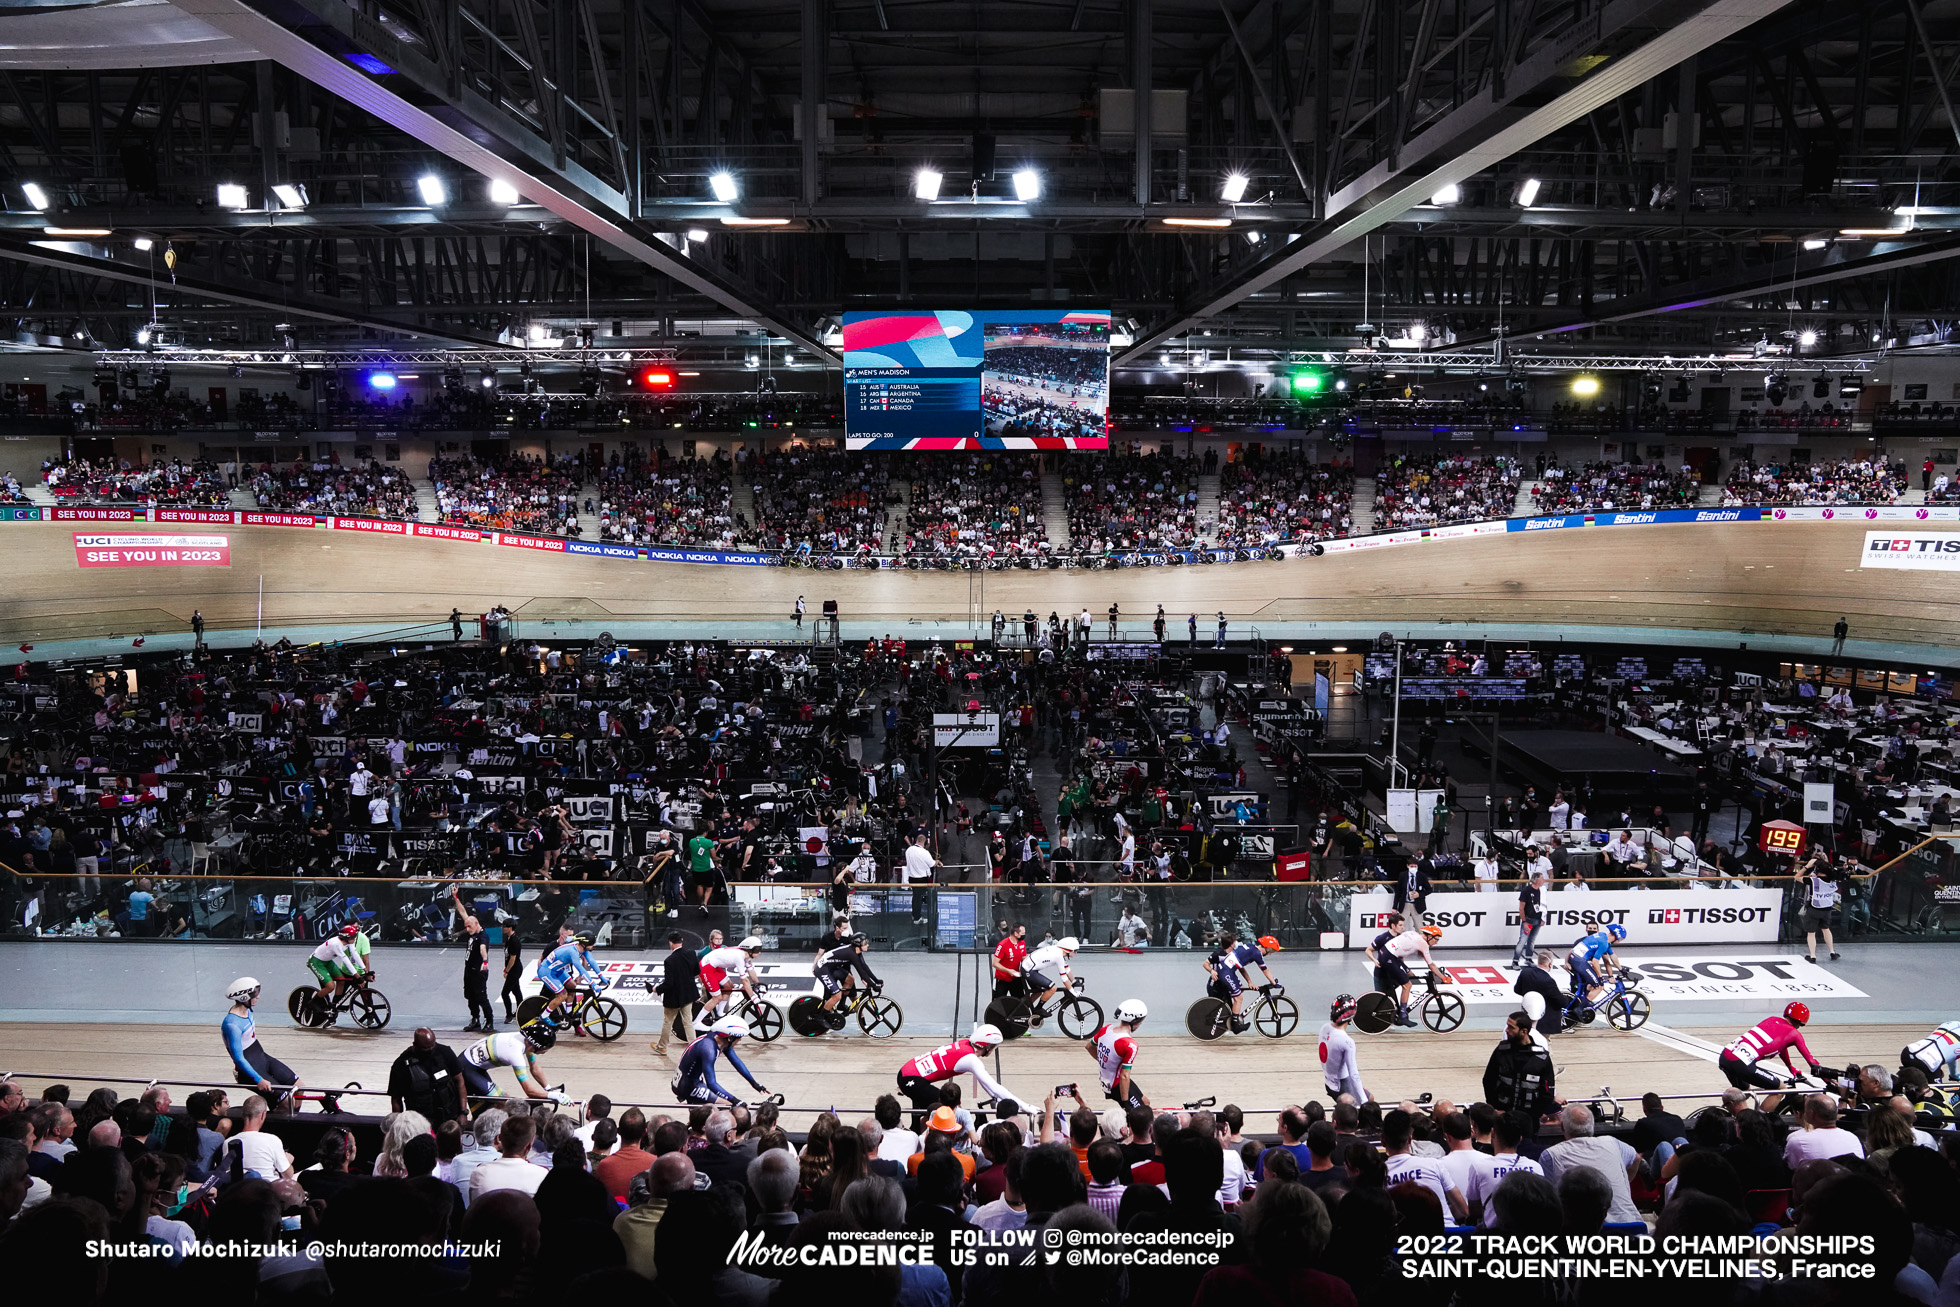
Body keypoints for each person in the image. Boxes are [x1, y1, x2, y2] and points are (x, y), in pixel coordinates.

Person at [896, 1024, 1020, 1117]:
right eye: (992, 1047)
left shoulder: (965, 1043)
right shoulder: (970, 1058)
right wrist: (1025, 1107)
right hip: (912, 1079)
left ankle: (917, 1132)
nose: (992, 1050)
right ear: (986, 1046)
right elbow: (993, 1086)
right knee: (951, 1112)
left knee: (946, 1109)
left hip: (907, 1072)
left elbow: (989, 1088)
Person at [221, 977, 303, 1109]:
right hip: (249, 1070)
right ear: (243, 997)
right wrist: (258, 1079)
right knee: (286, 1104)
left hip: (262, 1058)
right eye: (254, 994)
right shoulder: (232, 1024)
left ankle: (291, 1118)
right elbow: (238, 1059)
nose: (258, 997)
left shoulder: (246, 1011)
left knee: (299, 1088)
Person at [1720, 1002, 1824, 1095]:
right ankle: (1761, 1116)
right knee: (1780, 1089)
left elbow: (1782, 1047)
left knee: (1743, 1092)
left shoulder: (1772, 1019)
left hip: (1725, 1055)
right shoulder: (1795, 1034)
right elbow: (1812, 1062)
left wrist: (1790, 1067)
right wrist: (1828, 1080)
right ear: (1801, 1022)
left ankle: (1726, 1114)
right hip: (1741, 1063)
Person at [673, 1017, 769, 1106]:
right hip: (689, 1086)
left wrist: (754, 1084)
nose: (740, 1040)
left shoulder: (719, 1039)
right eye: (739, 1038)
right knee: (730, 1105)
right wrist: (735, 1101)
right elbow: (711, 1084)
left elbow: (737, 1062)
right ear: (730, 1038)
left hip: (689, 1080)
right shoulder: (708, 1049)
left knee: (704, 1117)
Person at [1482, 1009, 1558, 1119]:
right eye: (1507, 1026)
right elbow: (1488, 1080)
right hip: (1502, 1116)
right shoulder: (1501, 1051)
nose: (1507, 1030)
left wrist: (1538, 1112)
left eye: (1511, 1028)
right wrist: (1494, 1107)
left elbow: (1547, 1090)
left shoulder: (1542, 1057)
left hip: (1530, 1118)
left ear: (1524, 1031)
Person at [1368, 918, 1442, 1028]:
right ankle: (1402, 1015)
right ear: (1429, 936)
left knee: (1406, 977)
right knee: (1407, 985)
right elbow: (1431, 965)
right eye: (1436, 939)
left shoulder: (1413, 933)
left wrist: (1405, 969)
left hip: (1387, 954)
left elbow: (1401, 949)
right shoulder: (1423, 943)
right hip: (1390, 958)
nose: (1436, 942)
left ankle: (1392, 998)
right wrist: (1443, 977)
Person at [1201, 930, 1280, 1034]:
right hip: (1226, 972)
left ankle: (1232, 1018)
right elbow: (1265, 970)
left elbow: (1241, 968)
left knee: (1239, 992)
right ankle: (1235, 1026)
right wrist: (1274, 982)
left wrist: (1250, 982)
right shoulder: (1257, 954)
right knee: (1238, 998)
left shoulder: (1250, 946)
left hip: (1227, 971)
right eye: (1272, 951)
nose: (1270, 954)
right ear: (1267, 948)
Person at [458, 1025, 560, 1103]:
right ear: (536, 1045)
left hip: (474, 1066)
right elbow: (529, 1091)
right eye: (545, 1048)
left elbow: (534, 1068)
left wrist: (549, 1089)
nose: (545, 1052)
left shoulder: (527, 1041)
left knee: (500, 1101)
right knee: (502, 1102)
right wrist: (553, 1096)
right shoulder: (515, 1053)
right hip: (468, 1069)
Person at [388, 1028, 468, 1125]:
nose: (430, 1050)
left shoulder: (445, 1052)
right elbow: (396, 1098)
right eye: (426, 1048)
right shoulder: (401, 1064)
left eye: (432, 1046)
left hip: (449, 1116)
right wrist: (398, 1123)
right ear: (415, 1044)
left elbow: (460, 1081)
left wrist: (463, 1112)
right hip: (419, 1122)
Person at [531, 931, 607, 1030]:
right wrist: (592, 984)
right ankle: (544, 1016)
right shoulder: (572, 952)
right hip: (546, 971)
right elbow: (581, 969)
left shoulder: (582, 949)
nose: (594, 945)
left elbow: (592, 962)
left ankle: (569, 1013)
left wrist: (602, 977)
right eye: (592, 943)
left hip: (557, 970)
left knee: (572, 985)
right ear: (585, 944)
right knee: (563, 995)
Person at [1089, 999, 1149, 1109]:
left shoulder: (1105, 1029)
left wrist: (1106, 1062)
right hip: (1117, 1084)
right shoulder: (1130, 1044)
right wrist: (1126, 1104)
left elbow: (1089, 1046)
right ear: (1136, 1020)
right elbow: (1124, 1075)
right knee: (1140, 1111)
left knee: (1145, 1102)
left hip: (1106, 1078)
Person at [815, 932, 882, 1029]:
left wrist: (876, 980)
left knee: (850, 979)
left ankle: (842, 1004)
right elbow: (861, 973)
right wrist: (873, 985)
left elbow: (865, 967)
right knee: (836, 995)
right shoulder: (851, 953)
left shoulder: (856, 951)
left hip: (831, 968)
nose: (868, 945)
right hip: (822, 969)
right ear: (858, 944)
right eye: (865, 943)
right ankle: (820, 1017)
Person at [305, 923, 371, 1020]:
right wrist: (357, 976)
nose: (355, 939)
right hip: (316, 962)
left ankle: (335, 1005)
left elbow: (355, 954)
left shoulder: (348, 941)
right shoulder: (336, 944)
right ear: (347, 938)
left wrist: (364, 968)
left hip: (327, 961)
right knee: (331, 986)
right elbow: (346, 961)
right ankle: (312, 1004)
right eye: (353, 937)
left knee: (341, 980)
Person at [651, 931, 701, 1057]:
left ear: (670, 943)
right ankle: (693, 1048)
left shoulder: (669, 960)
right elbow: (697, 971)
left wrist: (657, 989)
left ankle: (662, 1047)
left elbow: (669, 984)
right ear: (682, 940)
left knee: (668, 1021)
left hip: (674, 997)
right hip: (688, 994)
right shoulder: (691, 953)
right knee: (688, 1021)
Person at [451, 893, 495, 1032]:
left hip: (479, 971)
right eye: (467, 927)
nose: (468, 930)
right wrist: (456, 897)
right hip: (469, 969)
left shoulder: (483, 936)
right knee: (470, 996)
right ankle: (475, 1019)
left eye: (470, 927)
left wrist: (485, 962)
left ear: (476, 924)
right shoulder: (471, 928)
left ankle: (489, 1021)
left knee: (481, 997)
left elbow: (483, 949)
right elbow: (462, 911)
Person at [698, 934, 765, 1023]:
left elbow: (751, 972)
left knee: (729, 987)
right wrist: (752, 996)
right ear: (749, 950)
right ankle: (696, 1022)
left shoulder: (746, 956)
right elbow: (745, 980)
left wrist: (758, 985)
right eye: (757, 950)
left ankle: (720, 1013)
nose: (759, 952)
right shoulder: (739, 958)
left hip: (714, 966)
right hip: (705, 967)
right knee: (717, 997)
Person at [1018, 934, 1078, 1020]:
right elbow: (1064, 977)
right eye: (1075, 951)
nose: (1075, 953)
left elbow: (1067, 969)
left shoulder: (1060, 952)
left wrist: (1074, 981)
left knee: (1038, 992)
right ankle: (1038, 1008)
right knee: (1052, 987)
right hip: (1029, 970)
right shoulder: (1059, 956)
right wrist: (1072, 991)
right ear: (1069, 950)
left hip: (1028, 968)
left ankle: (1021, 1010)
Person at [1800, 849, 1844, 963]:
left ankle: (1813, 956)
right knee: (1826, 929)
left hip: (1814, 909)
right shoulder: (1833, 880)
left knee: (1811, 933)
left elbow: (1797, 877)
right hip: (1827, 909)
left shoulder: (1813, 881)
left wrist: (1807, 867)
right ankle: (1832, 952)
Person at [1320, 994, 1366, 1102]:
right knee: (1366, 1101)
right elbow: (1354, 1075)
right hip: (1341, 1085)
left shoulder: (1324, 1028)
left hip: (1329, 1082)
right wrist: (1364, 1101)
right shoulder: (1347, 1042)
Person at [1510, 869, 1546, 967]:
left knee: (1532, 940)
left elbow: (1543, 905)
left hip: (1538, 920)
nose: (1544, 881)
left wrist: (1543, 918)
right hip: (1529, 919)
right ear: (1537, 880)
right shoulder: (1526, 891)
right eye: (1542, 879)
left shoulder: (1542, 891)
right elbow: (1521, 908)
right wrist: (1524, 922)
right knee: (1522, 940)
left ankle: (1529, 958)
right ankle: (1515, 960)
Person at [991, 922, 1028, 1002]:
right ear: (1016, 933)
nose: (1024, 935)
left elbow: (1024, 958)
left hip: (1015, 977)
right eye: (1023, 933)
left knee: (1019, 1001)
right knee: (998, 1003)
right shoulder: (1003, 945)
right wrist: (1008, 970)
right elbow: (994, 963)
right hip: (1002, 978)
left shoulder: (1022, 943)